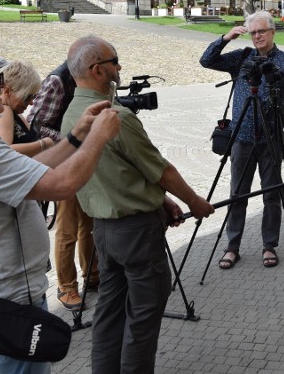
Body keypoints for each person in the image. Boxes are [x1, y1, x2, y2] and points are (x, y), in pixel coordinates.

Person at [0, 45, 120, 374]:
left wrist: (75, 137)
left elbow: (28, 170)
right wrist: (98, 137)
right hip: (7, 301)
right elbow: (60, 185)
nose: (2, 87)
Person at [61, 35, 214, 373]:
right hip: (135, 233)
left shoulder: (73, 112)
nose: (120, 67)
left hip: (104, 231)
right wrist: (195, 201)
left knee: (109, 313)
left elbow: (123, 173)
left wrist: (162, 202)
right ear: (98, 70)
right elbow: (161, 170)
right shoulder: (116, 117)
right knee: (143, 316)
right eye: (115, 61)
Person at [200, 11, 284, 269]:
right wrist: (225, 38)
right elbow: (207, 60)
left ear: (273, 32)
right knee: (237, 194)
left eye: (262, 31)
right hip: (241, 137)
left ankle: (269, 245)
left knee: (272, 194)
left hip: (271, 137)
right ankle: (232, 247)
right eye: (253, 32)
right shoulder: (242, 58)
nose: (257, 36)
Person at [27, 60, 97, 311]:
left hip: (84, 159)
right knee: (67, 228)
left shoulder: (94, 79)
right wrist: (72, 138)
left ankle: (93, 274)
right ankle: (66, 286)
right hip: (63, 161)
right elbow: (36, 124)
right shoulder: (58, 80)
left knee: (89, 222)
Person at [0, 60, 54, 156]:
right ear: (7, 91)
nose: (31, 103)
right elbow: (3, 151)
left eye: (33, 96)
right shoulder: (5, 111)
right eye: (27, 97)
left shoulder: (14, 113)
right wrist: (44, 144)